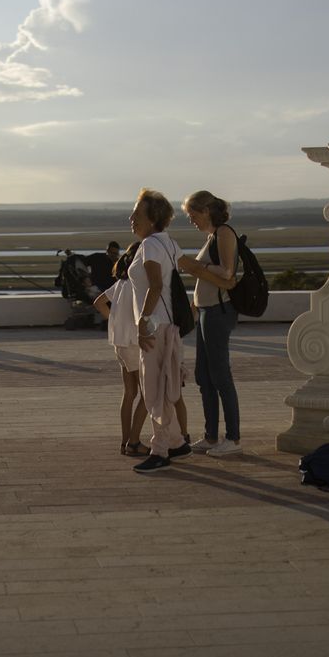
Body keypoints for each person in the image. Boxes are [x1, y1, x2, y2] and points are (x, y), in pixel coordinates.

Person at [178, 191, 242, 456]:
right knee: (204, 376)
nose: (191, 219)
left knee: (220, 376)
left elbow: (227, 273)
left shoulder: (224, 233)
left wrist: (193, 267)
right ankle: (211, 436)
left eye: (192, 214)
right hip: (206, 311)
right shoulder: (211, 237)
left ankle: (233, 438)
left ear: (206, 210)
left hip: (218, 311)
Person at [129, 188, 189, 475]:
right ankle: (176, 441)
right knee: (165, 386)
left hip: (155, 327)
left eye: (137, 214)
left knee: (153, 390)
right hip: (168, 326)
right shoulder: (169, 243)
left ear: (152, 219)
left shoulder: (151, 245)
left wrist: (143, 322)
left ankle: (160, 450)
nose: (131, 218)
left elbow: (154, 285)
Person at [92, 243, 146, 456]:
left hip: (119, 343)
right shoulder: (138, 284)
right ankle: (134, 442)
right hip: (134, 344)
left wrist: (113, 321)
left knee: (129, 393)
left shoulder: (121, 283)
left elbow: (98, 302)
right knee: (147, 395)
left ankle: (125, 441)